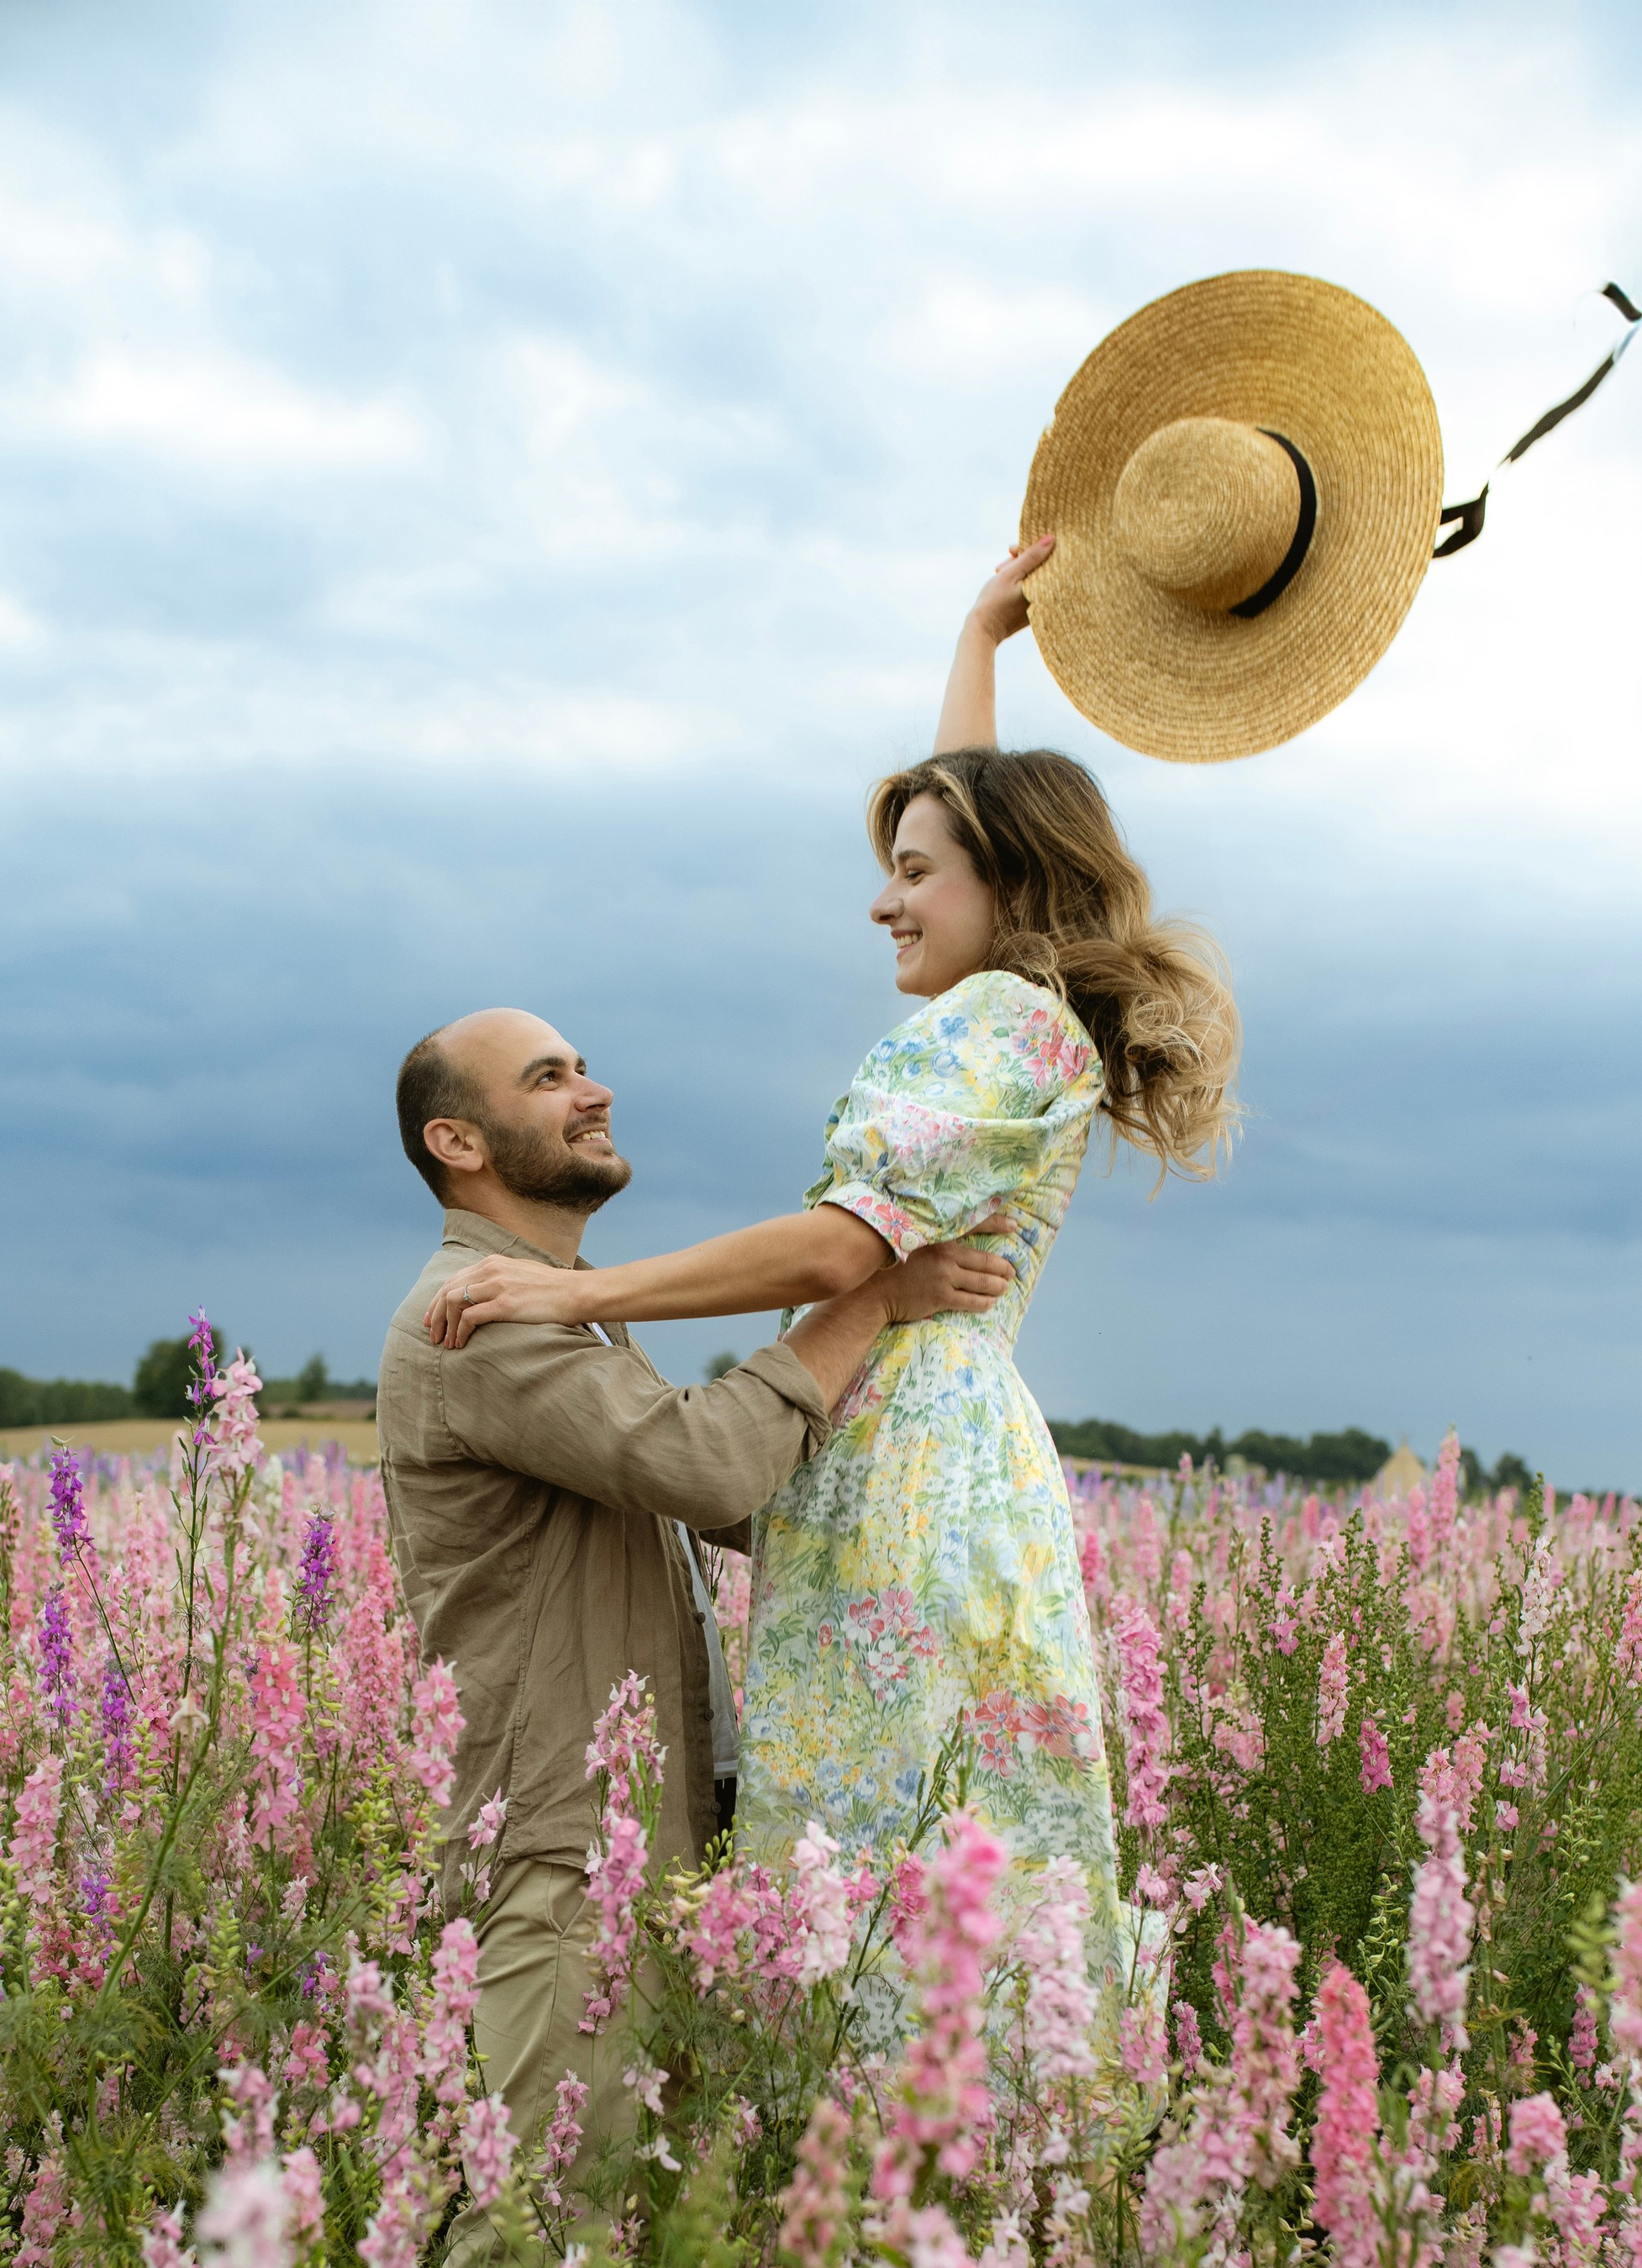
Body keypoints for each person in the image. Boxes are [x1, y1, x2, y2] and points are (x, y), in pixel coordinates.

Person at [433, 544, 1241, 1953]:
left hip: (914, 1471)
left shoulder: (1000, 1026)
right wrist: (978, 637)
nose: (884, 903)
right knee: (915, 1849)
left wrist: (574, 1295)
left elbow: (832, 1254)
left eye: (912, 876)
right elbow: (974, 824)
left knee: (884, 1860)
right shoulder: (1013, 1012)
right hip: (921, 1453)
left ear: (1003, 882)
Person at [376, 1003, 1014, 2152]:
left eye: (585, 1067)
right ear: (457, 1142)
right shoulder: (478, 1319)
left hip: (642, 1833)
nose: (595, 1092)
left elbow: (738, 1505)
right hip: (565, 1852)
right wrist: (871, 1298)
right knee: (557, 2215)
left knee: (652, 2214)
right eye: (548, 1079)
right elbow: (705, 1465)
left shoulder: (562, 1307)